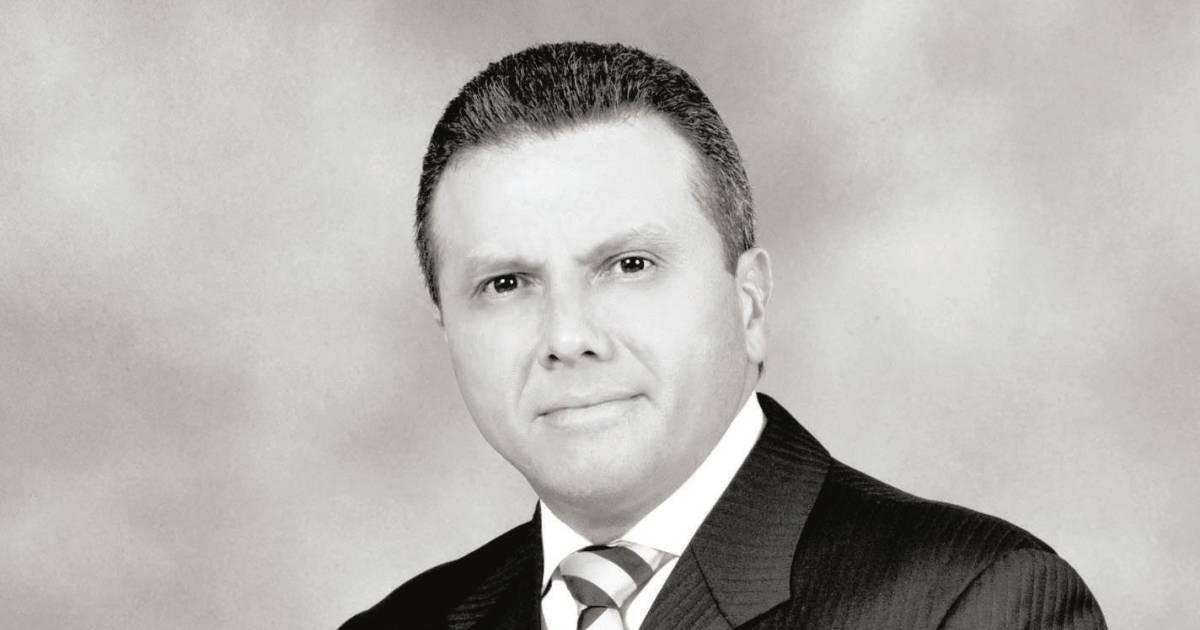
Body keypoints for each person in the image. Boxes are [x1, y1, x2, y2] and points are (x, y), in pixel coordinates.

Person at [341, 42, 1106, 630]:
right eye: (506, 284)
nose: (567, 337)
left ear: (749, 301)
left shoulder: (973, 602)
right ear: (447, 328)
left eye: (629, 265)